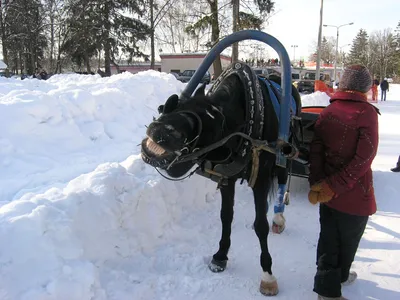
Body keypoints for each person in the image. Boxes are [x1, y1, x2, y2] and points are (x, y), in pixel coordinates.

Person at [308, 64, 379, 300]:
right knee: (348, 240)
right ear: (365, 88)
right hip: (354, 194)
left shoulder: (328, 111)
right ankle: (330, 290)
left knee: (328, 237)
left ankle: (334, 279)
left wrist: (319, 183)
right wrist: (334, 186)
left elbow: (315, 149)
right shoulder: (366, 114)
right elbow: (364, 159)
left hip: (327, 191)